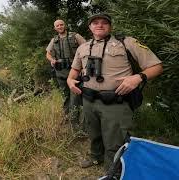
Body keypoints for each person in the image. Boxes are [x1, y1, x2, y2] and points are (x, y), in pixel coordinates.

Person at [66, 13, 163, 170]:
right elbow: (74, 69)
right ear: (90, 27)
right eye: (95, 22)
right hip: (89, 100)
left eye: (104, 22)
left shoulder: (126, 43)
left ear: (110, 26)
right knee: (93, 133)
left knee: (115, 139)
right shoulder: (83, 47)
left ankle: (115, 169)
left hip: (115, 101)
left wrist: (138, 78)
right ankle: (96, 157)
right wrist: (70, 80)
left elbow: (157, 66)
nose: (99, 25)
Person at [46, 19, 86, 126]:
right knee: (65, 96)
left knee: (75, 97)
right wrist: (52, 60)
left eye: (61, 24)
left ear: (65, 25)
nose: (60, 27)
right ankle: (67, 117)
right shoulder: (54, 40)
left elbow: (86, 49)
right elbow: (48, 54)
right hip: (60, 72)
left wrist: (83, 66)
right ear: (55, 28)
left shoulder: (75, 36)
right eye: (57, 25)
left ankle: (75, 122)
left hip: (74, 72)